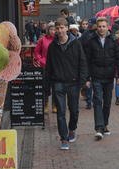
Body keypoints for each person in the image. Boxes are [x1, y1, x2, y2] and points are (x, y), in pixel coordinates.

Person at [44, 18, 87, 150]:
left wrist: (82, 81)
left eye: (62, 28)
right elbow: (49, 67)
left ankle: (72, 129)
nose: (60, 30)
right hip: (58, 83)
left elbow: (82, 62)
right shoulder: (52, 46)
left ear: (67, 28)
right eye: (57, 28)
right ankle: (63, 138)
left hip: (73, 82)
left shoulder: (76, 44)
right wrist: (47, 86)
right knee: (60, 112)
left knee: (74, 110)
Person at [85, 17, 119, 140]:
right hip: (96, 75)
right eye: (100, 26)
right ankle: (99, 128)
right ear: (97, 27)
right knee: (97, 100)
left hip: (109, 75)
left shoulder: (113, 40)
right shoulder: (91, 41)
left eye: (104, 26)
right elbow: (87, 60)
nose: (101, 28)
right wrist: (87, 77)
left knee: (107, 102)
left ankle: (105, 124)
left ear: (108, 27)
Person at [34, 22, 57, 114]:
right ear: (48, 30)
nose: (53, 31)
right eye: (51, 29)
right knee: (46, 87)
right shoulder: (42, 40)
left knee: (56, 87)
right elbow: (36, 52)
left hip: (56, 66)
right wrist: (40, 60)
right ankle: (46, 104)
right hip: (45, 66)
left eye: (55, 29)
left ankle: (55, 105)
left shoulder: (58, 40)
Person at [80, 17, 97, 109]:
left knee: (89, 81)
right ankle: (91, 101)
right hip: (91, 61)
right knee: (91, 82)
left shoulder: (86, 33)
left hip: (89, 61)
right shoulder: (96, 33)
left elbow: (81, 46)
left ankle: (89, 101)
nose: (90, 25)